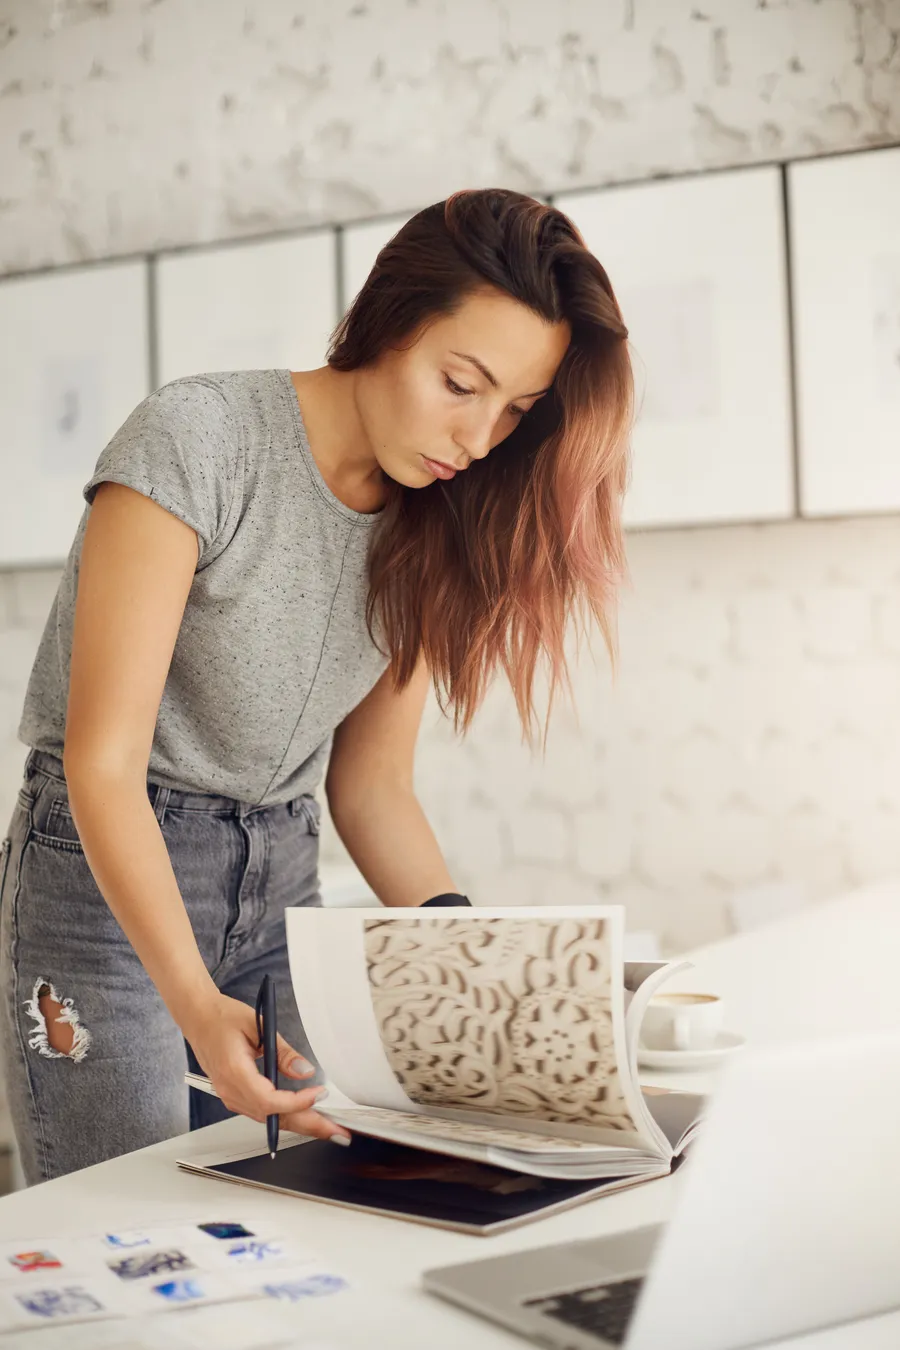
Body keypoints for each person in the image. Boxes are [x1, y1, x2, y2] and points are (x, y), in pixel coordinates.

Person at [0, 188, 633, 1185]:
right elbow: (103, 763)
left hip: (281, 878)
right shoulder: (198, 440)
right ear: (388, 321)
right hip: (105, 879)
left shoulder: (437, 519)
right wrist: (194, 1005)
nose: (476, 439)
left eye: (513, 411)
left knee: (321, 1206)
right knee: (120, 1239)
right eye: (460, 383)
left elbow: (372, 789)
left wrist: (470, 969)